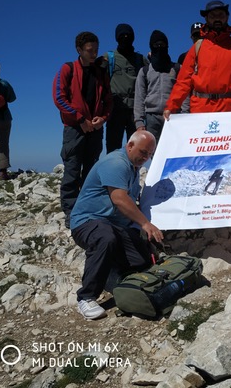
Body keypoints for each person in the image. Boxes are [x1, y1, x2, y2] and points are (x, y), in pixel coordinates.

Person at [69, 130, 164, 320]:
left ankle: (108, 270)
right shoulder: (116, 163)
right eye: (143, 153)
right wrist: (145, 223)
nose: (145, 158)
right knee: (105, 238)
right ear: (130, 146)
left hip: (113, 224)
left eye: (149, 155)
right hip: (87, 222)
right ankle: (86, 297)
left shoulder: (133, 167)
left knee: (142, 259)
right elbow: (119, 198)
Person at [53, 31, 113, 226]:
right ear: (79, 50)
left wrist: (103, 118)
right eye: (90, 50)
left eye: (96, 49)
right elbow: (59, 98)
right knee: (72, 170)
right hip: (74, 128)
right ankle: (71, 212)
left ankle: (87, 208)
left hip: (94, 128)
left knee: (90, 170)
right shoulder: (67, 69)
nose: (94, 53)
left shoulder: (100, 72)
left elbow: (108, 100)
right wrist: (80, 119)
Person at [164, 0, 231, 117]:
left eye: (220, 15)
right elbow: (183, 81)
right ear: (206, 19)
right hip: (201, 110)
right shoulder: (197, 47)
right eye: (212, 16)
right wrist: (172, 106)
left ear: (227, 17)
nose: (217, 19)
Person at [104, 24, 146, 153]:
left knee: (135, 148)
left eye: (128, 36)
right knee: (113, 147)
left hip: (135, 111)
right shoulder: (109, 58)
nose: (125, 38)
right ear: (117, 38)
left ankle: (133, 173)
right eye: (121, 36)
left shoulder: (141, 59)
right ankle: (111, 172)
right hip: (115, 109)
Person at [134, 30, 180, 144]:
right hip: (151, 118)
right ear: (151, 47)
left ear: (167, 46)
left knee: (172, 150)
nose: (159, 47)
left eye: (162, 45)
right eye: (156, 45)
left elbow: (184, 93)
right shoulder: (144, 71)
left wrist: (185, 115)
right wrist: (139, 123)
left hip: (173, 117)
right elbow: (139, 98)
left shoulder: (177, 68)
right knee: (152, 153)